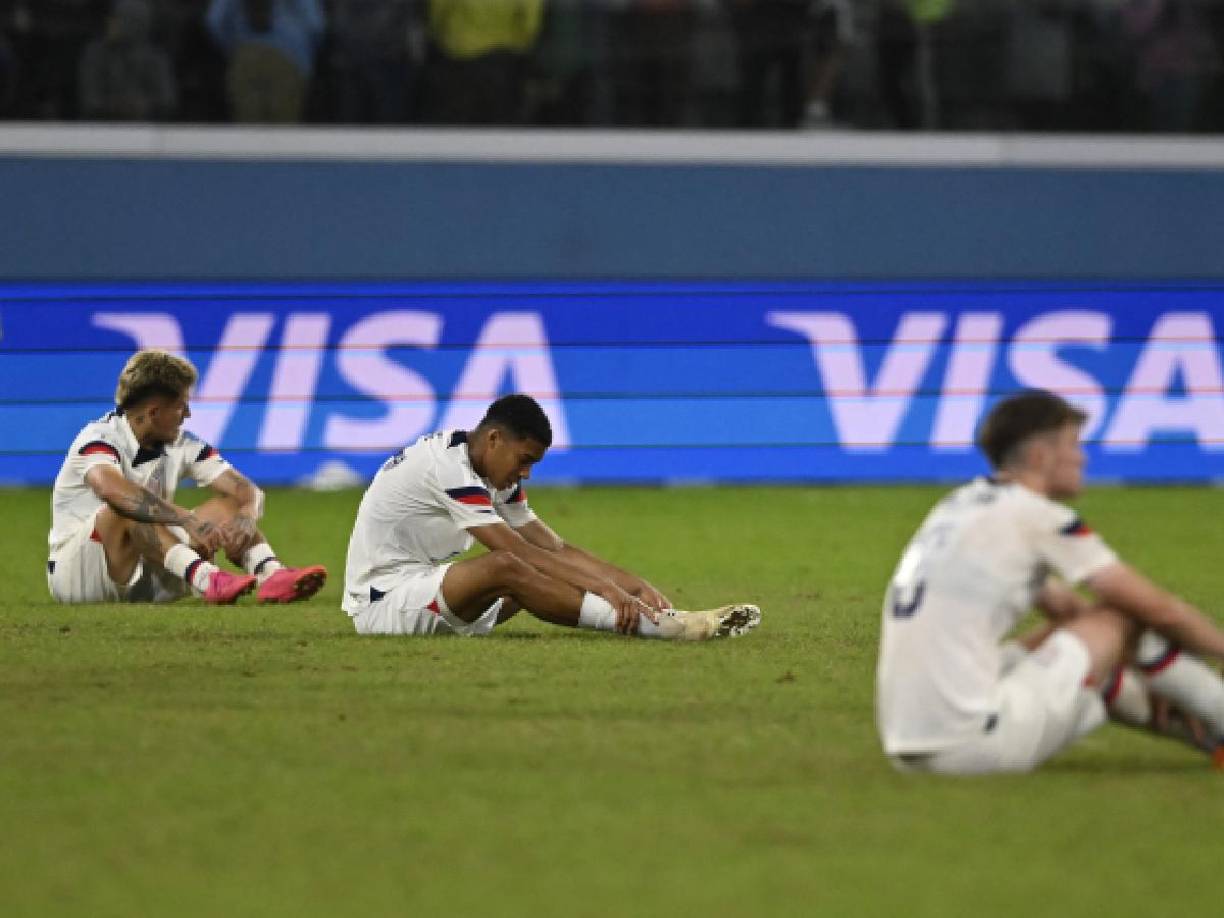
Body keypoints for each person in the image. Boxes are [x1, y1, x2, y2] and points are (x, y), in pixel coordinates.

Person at [876, 389, 1224, 775]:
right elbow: (1160, 610)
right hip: (974, 745)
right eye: (1074, 445)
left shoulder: (959, 506)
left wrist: (1141, 666)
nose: (1083, 457)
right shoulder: (1037, 516)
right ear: (1041, 456)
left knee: (1081, 638)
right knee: (1122, 616)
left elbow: (1068, 612)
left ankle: (1212, 737)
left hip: (907, 744)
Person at [342, 393, 760, 640]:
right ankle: (660, 629)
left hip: (428, 589)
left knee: (537, 572)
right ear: (494, 439)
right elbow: (514, 550)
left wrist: (633, 585)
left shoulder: (489, 471)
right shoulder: (446, 467)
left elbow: (551, 546)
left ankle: (661, 616)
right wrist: (605, 589)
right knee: (507, 566)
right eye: (524, 459)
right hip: (383, 602)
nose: (525, 473)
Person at [48, 349, 327, 606]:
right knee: (128, 505)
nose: (188, 414)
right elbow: (113, 491)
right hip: (80, 577)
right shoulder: (98, 438)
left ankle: (271, 573)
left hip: (145, 574)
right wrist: (184, 518)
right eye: (181, 406)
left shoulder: (181, 444)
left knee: (228, 505)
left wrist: (247, 514)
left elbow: (243, 488)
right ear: (154, 412)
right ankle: (208, 580)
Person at [78, 0, 178, 122]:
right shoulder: (96, 54)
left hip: (147, 126)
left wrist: (145, 106)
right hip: (103, 126)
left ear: (137, 24)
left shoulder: (155, 58)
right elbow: (90, 99)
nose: (111, 24)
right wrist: (115, 106)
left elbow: (167, 100)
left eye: (119, 20)